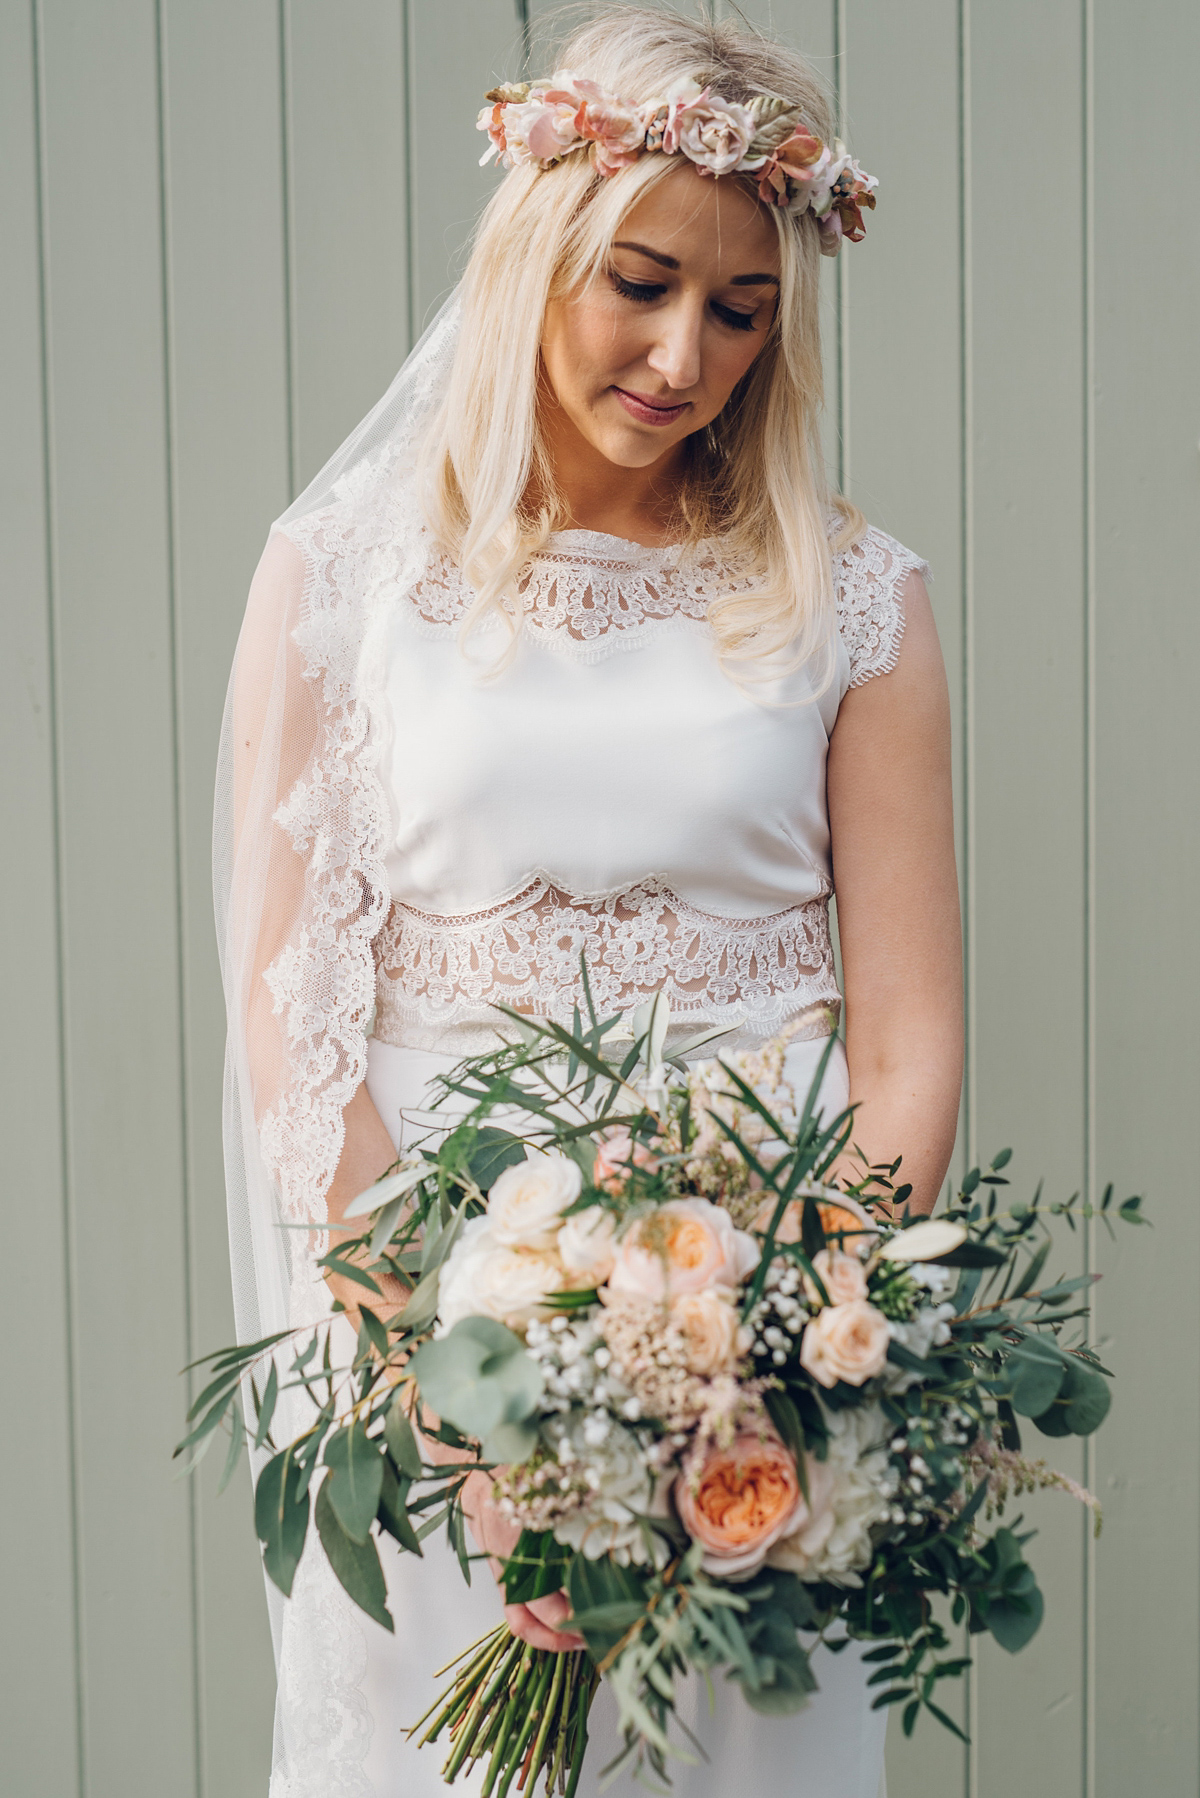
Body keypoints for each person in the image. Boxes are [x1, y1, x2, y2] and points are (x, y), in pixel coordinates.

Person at [217, 8, 962, 1794]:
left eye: (740, 310)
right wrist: (444, 1386)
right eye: (638, 282)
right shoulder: (343, 579)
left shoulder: (858, 602)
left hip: (756, 1361)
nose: (682, 352)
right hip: (430, 1319)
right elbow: (294, 1008)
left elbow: (911, 1034)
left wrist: (783, 1347)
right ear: (541, 243)